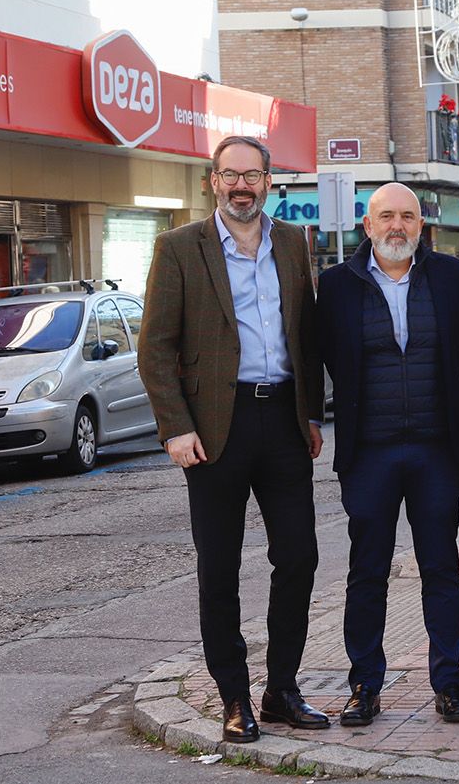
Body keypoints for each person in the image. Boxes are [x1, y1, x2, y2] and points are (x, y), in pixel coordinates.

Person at [140, 135, 327, 743]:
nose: (241, 185)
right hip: (214, 430)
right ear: (211, 181)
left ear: (269, 181)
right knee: (218, 569)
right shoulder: (178, 248)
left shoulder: (294, 244)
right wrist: (175, 428)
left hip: (283, 423)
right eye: (230, 175)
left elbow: (307, 335)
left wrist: (311, 415)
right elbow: (156, 349)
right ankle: (234, 699)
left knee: (298, 556)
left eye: (252, 175)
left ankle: (281, 690)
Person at [317, 183, 459, 727]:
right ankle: (364, 685)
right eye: (386, 216)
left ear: (421, 225)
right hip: (369, 454)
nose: (397, 226)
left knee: (442, 569)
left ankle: (450, 683)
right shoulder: (335, 285)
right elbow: (312, 358)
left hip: (435, 450)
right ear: (367, 225)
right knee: (367, 572)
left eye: (407, 216)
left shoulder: (451, 278)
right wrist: (309, 422)